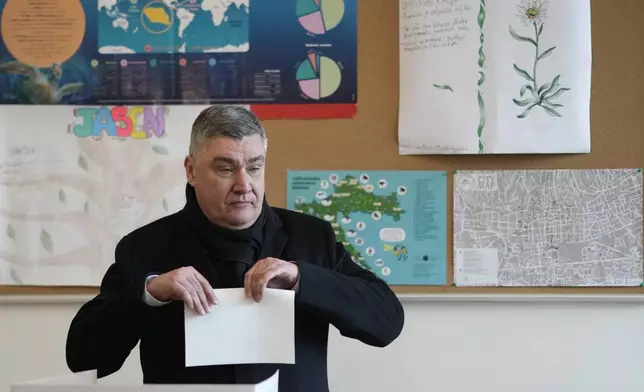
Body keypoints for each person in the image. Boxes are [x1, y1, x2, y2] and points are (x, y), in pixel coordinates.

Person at [65, 105, 405, 392]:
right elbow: (83, 358)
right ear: (191, 170)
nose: (244, 185)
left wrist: (304, 279)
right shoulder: (144, 247)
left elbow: (386, 322)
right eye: (226, 168)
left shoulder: (312, 237)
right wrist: (150, 293)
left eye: (254, 167)